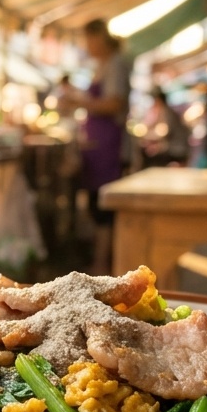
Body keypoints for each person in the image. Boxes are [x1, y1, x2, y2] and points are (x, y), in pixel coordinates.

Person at [61, 19, 131, 274]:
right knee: (95, 203)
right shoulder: (102, 65)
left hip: (109, 147)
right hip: (96, 146)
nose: (86, 45)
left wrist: (80, 100)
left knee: (104, 206)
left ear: (99, 37)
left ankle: (104, 266)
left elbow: (114, 104)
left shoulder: (115, 64)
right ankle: (100, 264)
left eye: (88, 39)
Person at [141, 89, 190, 167]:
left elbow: (165, 131)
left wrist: (149, 137)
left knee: (149, 154)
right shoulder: (164, 111)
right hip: (174, 147)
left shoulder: (167, 112)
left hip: (177, 149)